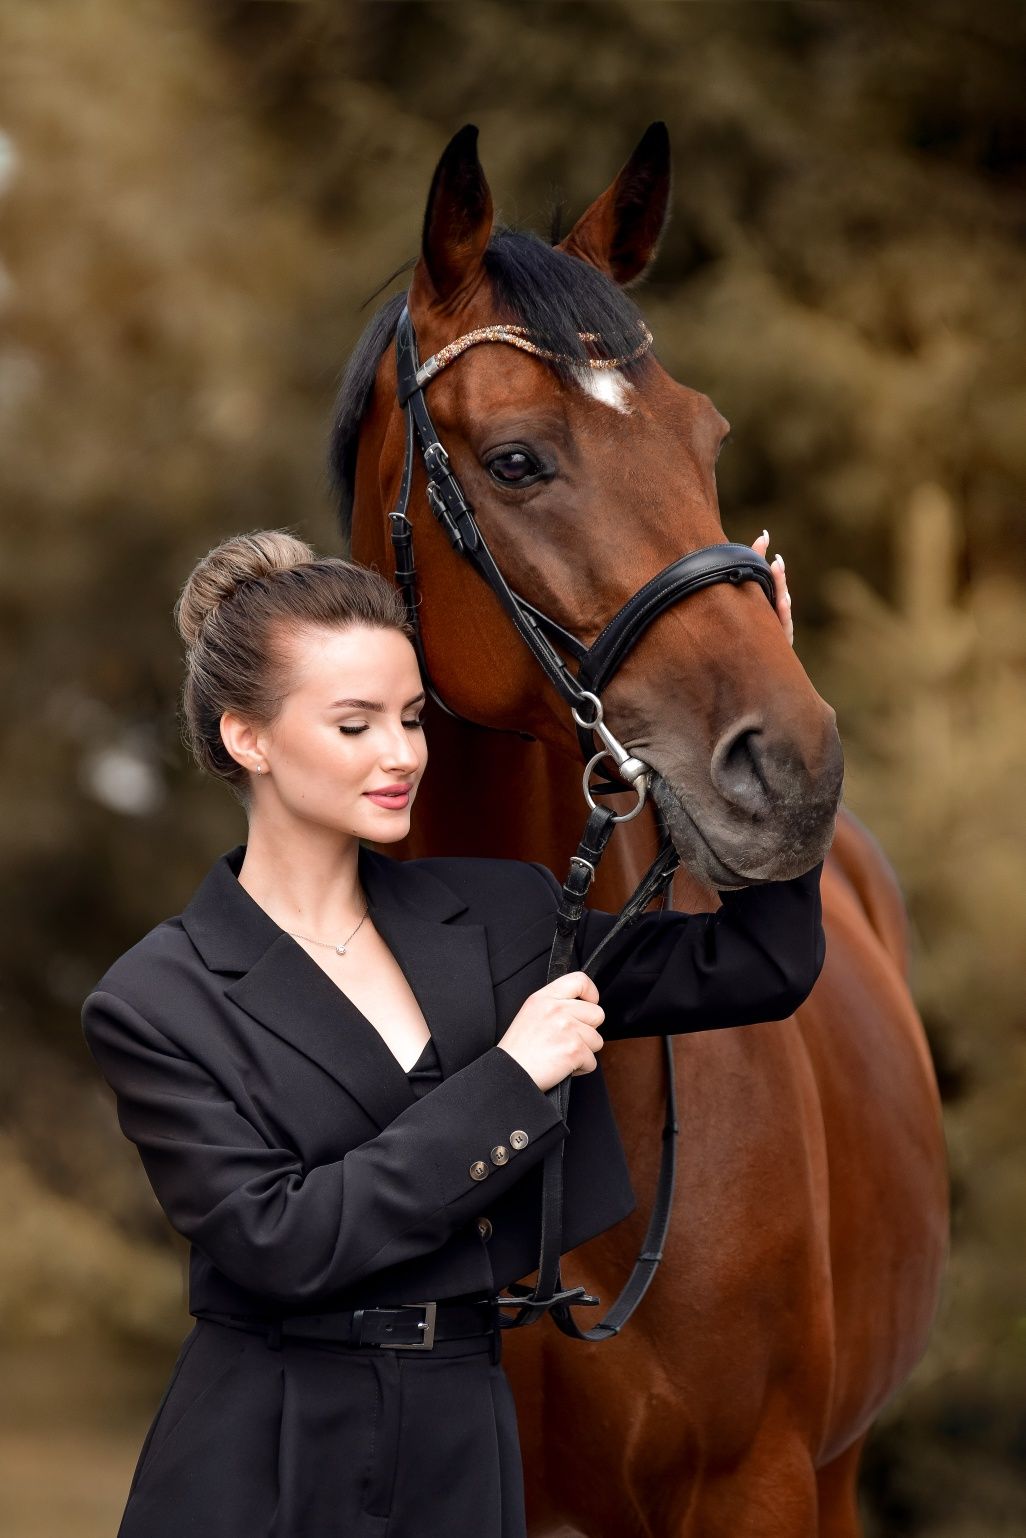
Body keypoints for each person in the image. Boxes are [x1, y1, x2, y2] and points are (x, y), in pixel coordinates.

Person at [81, 527, 823, 1538]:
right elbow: (282, 1239)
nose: (401, 755)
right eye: (355, 725)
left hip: (467, 1432)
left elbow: (760, 964)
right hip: (264, 1452)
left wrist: (769, 704)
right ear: (247, 736)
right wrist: (514, 1078)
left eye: (412, 717)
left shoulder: (505, 915)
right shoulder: (157, 997)